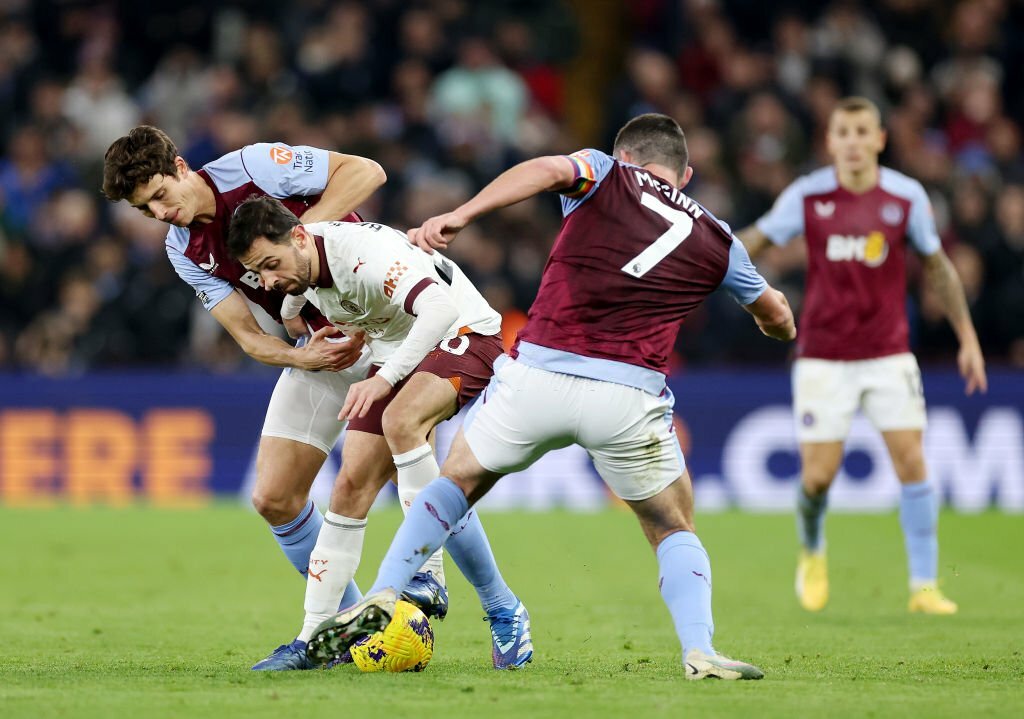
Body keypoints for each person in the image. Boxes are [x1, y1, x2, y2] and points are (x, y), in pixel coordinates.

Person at [302, 113, 795, 680]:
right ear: (685, 174)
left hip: (537, 378)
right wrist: (777, 327)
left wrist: (461, 214)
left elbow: (545, 169)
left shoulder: (607, 173)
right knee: (672, 526)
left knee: (454, 483)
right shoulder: (718, 236)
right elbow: (777, 315)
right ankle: (699, 649)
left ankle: (388, 590)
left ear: (627, 156)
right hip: (628, 397)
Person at [101, 127, 526, 670]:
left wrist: (299, 236)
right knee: (274, 496)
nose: (159, 213)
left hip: (388, 325)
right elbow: (249, 336)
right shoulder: (183, 249)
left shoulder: (253, 168)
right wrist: (301, 356)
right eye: (145, 209)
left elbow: (367, 170)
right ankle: (345, 629)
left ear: (181, 167)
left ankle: (501, 607)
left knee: (404, 466)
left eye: (159, 195)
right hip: (322, 350)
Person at [227, 197, 532, 669]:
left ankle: (428, 576)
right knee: (349, 486)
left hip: (466, 331)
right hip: (402, 348)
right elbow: (298, 291)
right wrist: (290, 307)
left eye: (271, 265)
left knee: (400, 420)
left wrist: (382, 380)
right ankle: (315, 638)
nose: (267, 280)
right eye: (258, 273)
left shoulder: (364, 256)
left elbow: (437, 309)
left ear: (301, 237)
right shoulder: (303, 268)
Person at [734, 97, 988, 614]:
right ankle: (812, 550)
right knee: (818, 478)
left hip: (888, 353)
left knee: (912, 461)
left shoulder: (905, 196)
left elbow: (937, 267)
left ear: (879, 139)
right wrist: (709, 256)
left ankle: (924, 586)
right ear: (829, 142)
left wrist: (968, 337)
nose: (851, 141)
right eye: (842, 131)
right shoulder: (807, 196)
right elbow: (754, 240)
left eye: (861, 131)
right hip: (823, 356)